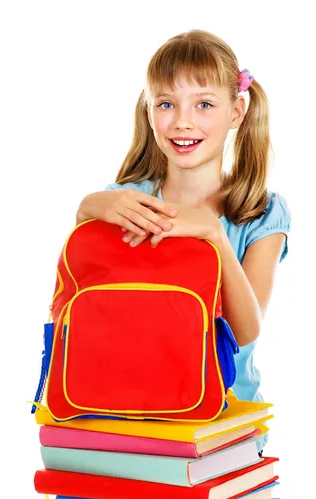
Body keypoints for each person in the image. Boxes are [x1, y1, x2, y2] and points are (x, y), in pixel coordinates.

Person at [75, 29, 291, 455]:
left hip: (225, 425)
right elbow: (88, 309)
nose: (183, 122)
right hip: (129, 415)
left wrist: (212, 233)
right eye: (166, 104)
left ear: (237, 109)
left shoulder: (260, 212)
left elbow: (245, 331)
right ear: (149, 110)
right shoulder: (128, 200)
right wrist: (85, 209)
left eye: (204, 104)